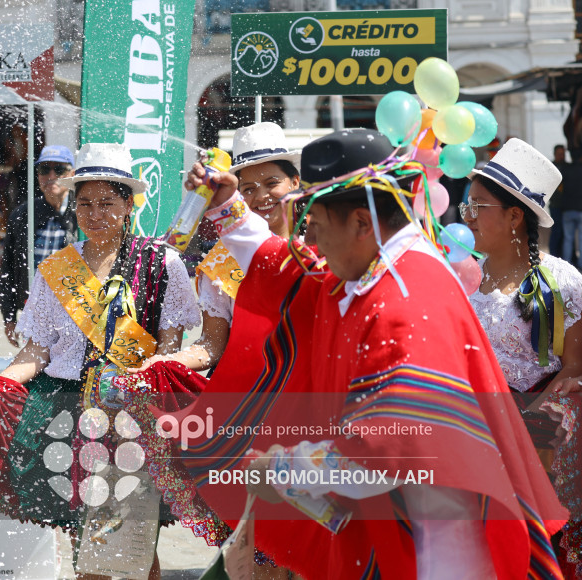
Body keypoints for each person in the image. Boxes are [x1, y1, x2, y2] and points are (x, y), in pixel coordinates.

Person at [175, 129, 566, 578]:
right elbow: (295, 272)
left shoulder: (403, 300)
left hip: (438, 541)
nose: (309, 236)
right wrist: (228, 207)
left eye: (316, 222)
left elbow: (384, 449)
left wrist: (284, 467)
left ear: (362, 223)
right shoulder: (381, 269)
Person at [0, 143, 200, 580]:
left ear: (129, 204)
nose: (95, 214)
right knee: (88, 545)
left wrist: (141, 381)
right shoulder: (56, 269)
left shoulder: (160, 263)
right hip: (69, 413)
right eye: (85, 203)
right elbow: (37, 351)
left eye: (107, 203)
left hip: (135, 414)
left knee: (135, 542)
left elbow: (170, 350)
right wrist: (1, 383)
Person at [464, 138, 582, 576]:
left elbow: (574, 366)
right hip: (471, 432)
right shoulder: (460, 276)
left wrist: (530, 416)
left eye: (478, 207)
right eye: (466, 206)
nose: (467, 217)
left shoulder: (560, 280)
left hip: (537, 437)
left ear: (515, 216)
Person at [136, 122, 301, 373]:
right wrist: (165, 363)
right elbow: (212, 345)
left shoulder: (322, 244)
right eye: (249, 189)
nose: (261, 197)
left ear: (295, 182)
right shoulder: (221, 262)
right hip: (249, 384)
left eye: (272, 183)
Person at [0, 145, 77, 347]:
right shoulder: (23, 214)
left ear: (72, 174)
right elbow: (7, 269)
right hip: (34, 311)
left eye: (59, 169)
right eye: (44, 169)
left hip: (75, 311)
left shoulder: (82, 213)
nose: (51, 176)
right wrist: (9, 317)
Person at [549, 144, 568, 257]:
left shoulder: (568, 167)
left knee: (565, 233)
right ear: (555, 154)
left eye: (563, 154)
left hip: (567, 205)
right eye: (559, 154)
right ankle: (554, 254)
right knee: (557, 230)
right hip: (555, 205)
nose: (561, 156)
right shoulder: (551, 168)